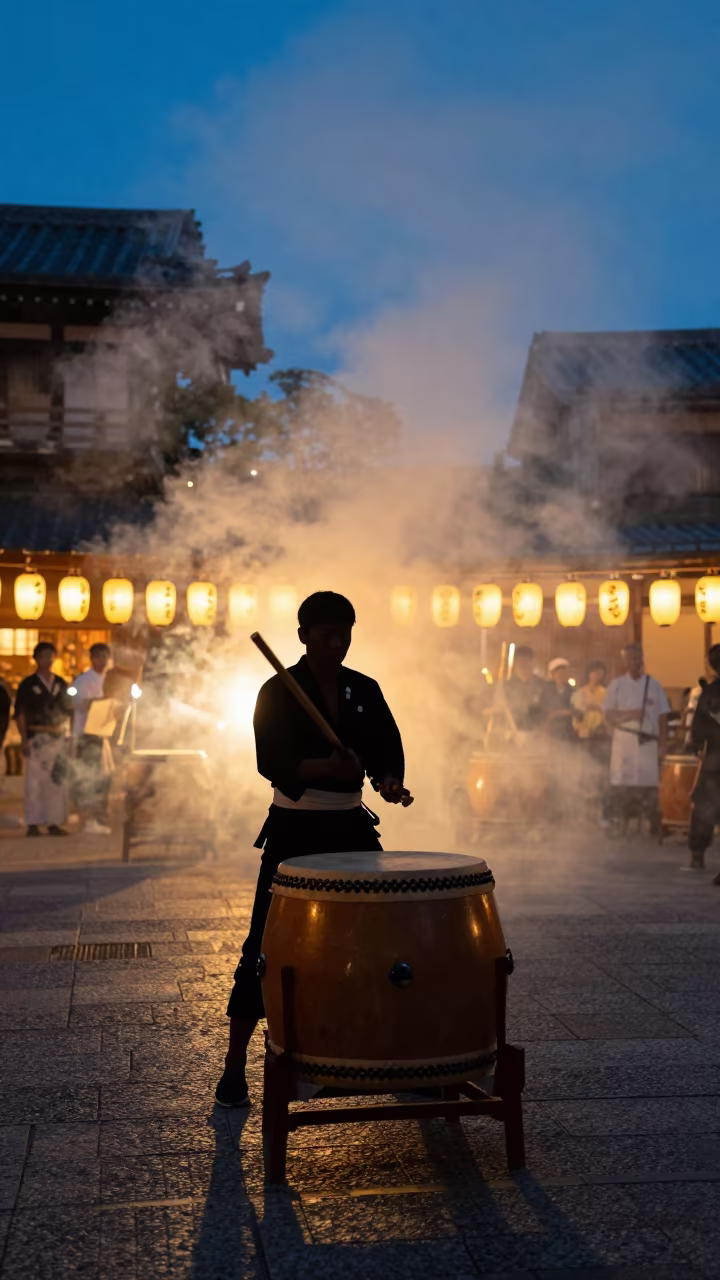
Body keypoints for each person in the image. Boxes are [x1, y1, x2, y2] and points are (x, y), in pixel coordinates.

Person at [215, 591, 412, 1108]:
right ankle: (235, 1067)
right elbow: (271, 758)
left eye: (344, 633)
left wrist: (388, 780)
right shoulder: (278, 691)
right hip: (293, 830)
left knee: (381, 934)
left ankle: (401, 1050)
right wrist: (326, 768)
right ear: (302, 635)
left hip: (350, 825)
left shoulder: (363, 689)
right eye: (326, 633)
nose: (337, 643)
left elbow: (385, 746)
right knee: (264, 941)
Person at [603, 643, 670, 834]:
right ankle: (621, 822)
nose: (635, 662)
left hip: (647, 740)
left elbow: (663, 715)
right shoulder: (616, 685)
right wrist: (630, 714)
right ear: (625, 661)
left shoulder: (653, 684)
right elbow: (608, 714)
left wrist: (663, 743)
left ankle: (652, 823)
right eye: (631, 658)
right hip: (624, 740)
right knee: (623, 781)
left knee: (648, 781)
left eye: (638, 658)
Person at [14, 642, 74, 836]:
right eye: (44, 656)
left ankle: (54, 822)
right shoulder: (28, 685)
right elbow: (20, 713)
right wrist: (24, 738)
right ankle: (33, 822)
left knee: (55, 782)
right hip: (36, 735)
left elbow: (68, 711)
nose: (48, 660)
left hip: (57, 734)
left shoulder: (60, 683)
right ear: (37, 659)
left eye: (51, 656)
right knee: (34, 782)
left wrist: (69, 737)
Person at [70, 642, 113, 836]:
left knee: (104, 778)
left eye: (105, 656)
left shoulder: (110, 679)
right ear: (92, 658)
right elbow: (80, 704)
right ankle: (87, 819)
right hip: (86, 735)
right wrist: (103, 703)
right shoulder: (83, 680)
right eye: (98, 656)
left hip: (103, 734)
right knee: (87, 778)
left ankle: (100, 817)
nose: (102, 660)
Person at [687, 643, 720, 875]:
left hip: (715, 757)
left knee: (705, 807)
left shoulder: (709, 691)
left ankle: (697, 854)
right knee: (706, 806)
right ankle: (697, 853)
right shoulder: (709, 691)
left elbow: (699, 725)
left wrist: (696, 744)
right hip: (716, 756)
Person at [572, 660, 611, 824]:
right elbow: (576, 715)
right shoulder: (579, 693)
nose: (596, 676)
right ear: (588, 674)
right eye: (593, 672)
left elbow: (608, 713)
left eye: (599, 673)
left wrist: (596, 709)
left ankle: (600, 813)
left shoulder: (607, 693)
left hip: (601, 737)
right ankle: (583, 813)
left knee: (601, 775)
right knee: (584, 775)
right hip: (585, 737)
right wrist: (581, 727)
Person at [504, 646, 547, 733]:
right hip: (513, 731)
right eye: (520, 662)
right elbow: (503, 708)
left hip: (538, 731)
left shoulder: (542, 684)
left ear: (532, 662)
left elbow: (548, 708)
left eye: (527, 661)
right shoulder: (507, 685)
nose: (524, 665)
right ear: (515, 664)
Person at [542, 658, 576, 741]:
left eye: (565, 672)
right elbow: (542, 709)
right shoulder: (546, 689)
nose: (562, 675)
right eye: (559, 673)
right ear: (553, 674)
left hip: (568, 732)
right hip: (550, 731)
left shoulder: (572, 690)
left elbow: (576, 709)